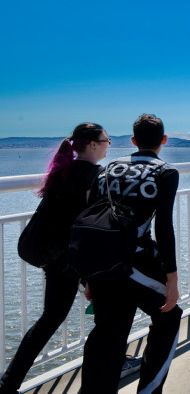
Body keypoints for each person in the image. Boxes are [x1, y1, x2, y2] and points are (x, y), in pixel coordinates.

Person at [0, 124, 109, 394]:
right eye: (106, 140)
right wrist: (90, 276)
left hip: (54, 254)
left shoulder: (64, 170)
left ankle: (8, 383)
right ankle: (111, 364)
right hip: (73, 258)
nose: (109, 145)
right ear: (93, 145)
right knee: (102, 314)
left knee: (52, 317)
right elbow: (91, 226)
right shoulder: (96, 175)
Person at [81, 114, 181, 394]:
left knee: (108, 332)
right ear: (164, 140)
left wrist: (88, 277)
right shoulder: (165, 172)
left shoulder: (107, 169)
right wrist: (172, 278)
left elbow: (90, 220)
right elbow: (164, 227)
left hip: (102, 264)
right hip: (136, 262)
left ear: (133, 141)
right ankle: (149, 389)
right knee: (169, 315)